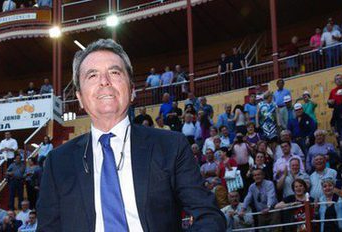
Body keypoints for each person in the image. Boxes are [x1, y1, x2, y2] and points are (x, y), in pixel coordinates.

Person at [37, 39, 225, 231]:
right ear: (80, 98)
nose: (104, 81)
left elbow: (209, 216)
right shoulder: (57, 162)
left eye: (115, 72)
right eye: (92, 75)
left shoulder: (171, 146)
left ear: (132, 91)